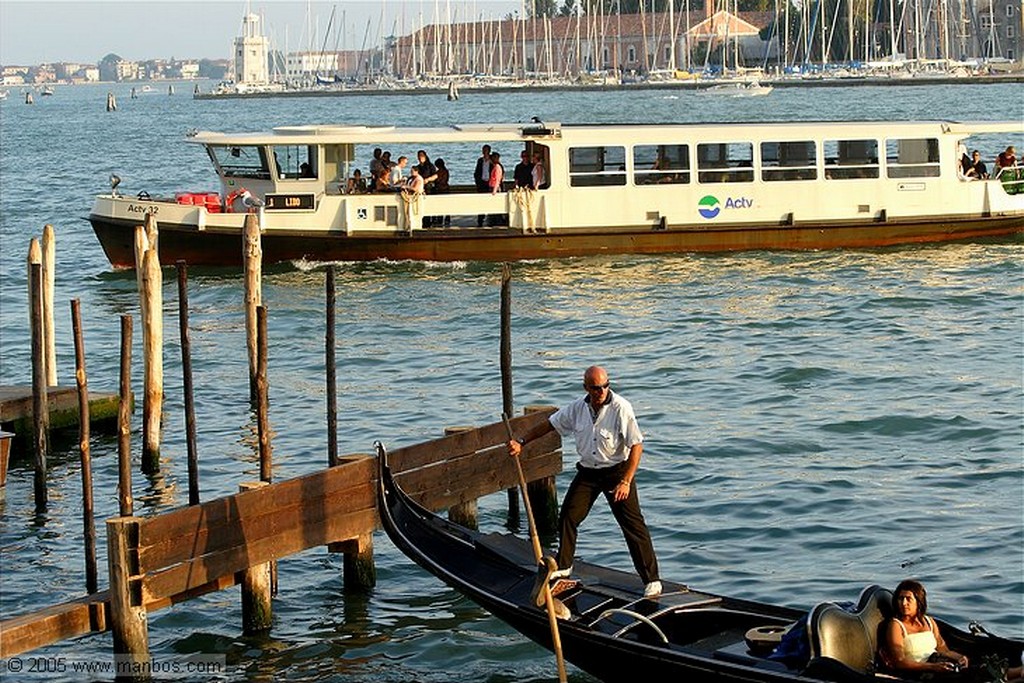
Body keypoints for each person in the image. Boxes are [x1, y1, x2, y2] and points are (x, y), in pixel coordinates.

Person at [506, 365, 662, 598]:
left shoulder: (621, 407)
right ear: (586, 388)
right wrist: (521, 441)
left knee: (633, 525)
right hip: (588, 473)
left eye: (605, 386)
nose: (601, 391)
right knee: (569, 515)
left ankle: (652, 580)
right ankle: (564, 566)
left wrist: (626, 481)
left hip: (617, 472)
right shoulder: (577, 408)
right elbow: (549, 425)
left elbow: (637, 445)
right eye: (596, 388)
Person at [879, 579, 969, 676]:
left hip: (938, 662)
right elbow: (899, 661)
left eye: (908, 599)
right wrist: (933, 667)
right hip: (919, 671)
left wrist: (960, 657)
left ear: (918, 601)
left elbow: (943, 649)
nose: (904, 603)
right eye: (901, 598)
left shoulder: (929, 621)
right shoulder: (896, 625)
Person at [474, 144, 492, 226]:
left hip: (489, 183)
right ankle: (480, 219)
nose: (484, 152)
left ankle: (491, 219)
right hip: (482, 183)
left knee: (490, 201)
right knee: (480, 201)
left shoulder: (492, 161)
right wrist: (477, 182)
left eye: (486, 150)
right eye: (483, 150)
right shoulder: (480, 160)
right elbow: (477, 172)